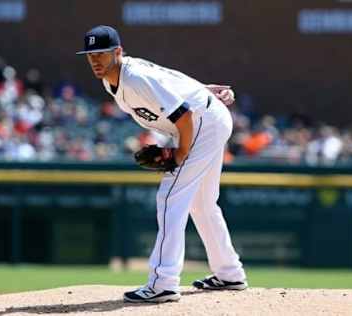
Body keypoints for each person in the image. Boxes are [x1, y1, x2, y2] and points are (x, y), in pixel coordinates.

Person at [77, 25, 247, 303]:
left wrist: (179, 155)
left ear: (118, 52)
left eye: (102, 54)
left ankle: (163, 283)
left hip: (200, 124)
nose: (95, 60)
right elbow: (167, 78)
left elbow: (184, 115)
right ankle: (230, 273)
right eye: (90, 54)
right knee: (202, 204)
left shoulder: (133, 78)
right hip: (205, 119)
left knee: (170, 196)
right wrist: (199, 90)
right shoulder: (111, 78)